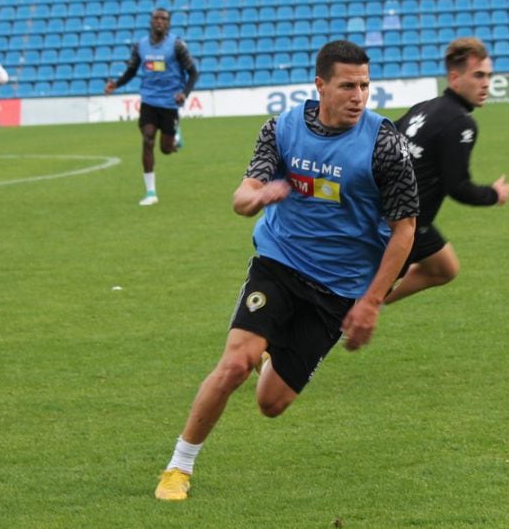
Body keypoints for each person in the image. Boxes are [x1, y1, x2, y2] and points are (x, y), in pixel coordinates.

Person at [153, 40, 418, 502]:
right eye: (347, 86)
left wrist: (370, 302)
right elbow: (242, 196)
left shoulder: (385, 143)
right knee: (236, 363)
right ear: (320, 85)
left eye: (365, 86)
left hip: (339, 288)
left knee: (271, 404)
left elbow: (404, 230)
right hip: (280, 261)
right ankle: (179, 467)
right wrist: (257, 197)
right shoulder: (282, 129)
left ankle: (273, 356)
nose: (358, 96)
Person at [385, 37, 509, 305]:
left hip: (394, 214)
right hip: (401, 226)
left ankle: (370, 306)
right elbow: (459, 187)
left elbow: (383, 138)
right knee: (345, 307)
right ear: (455, 78)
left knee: (444, 268)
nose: (486, 83)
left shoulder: (425, 107)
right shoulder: (460, 123)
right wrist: (494, 194)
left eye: (489, 75)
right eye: (478, 75)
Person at [105, 7, 199, 206]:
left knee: (165, 148)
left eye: (163, 19)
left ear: (168, 23)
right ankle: (150, 192)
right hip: (148, 100)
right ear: (150, 21)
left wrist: (185, 93)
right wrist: (116, 84)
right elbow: (131, 70)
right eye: (156, 18)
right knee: (147, 139)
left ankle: (175, 139)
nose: (159, 21)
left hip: (169, 103)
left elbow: (193, 73)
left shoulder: (177, 46)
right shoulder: (140, 46)